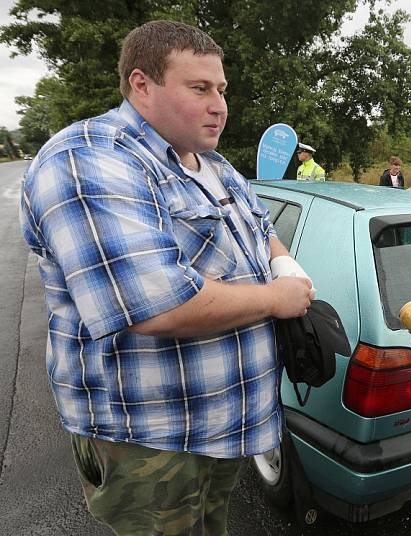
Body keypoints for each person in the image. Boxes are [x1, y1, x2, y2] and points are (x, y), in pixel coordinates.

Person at [18, 21, 314, 535]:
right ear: (141, 85)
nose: (219, 105)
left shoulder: (216, 167)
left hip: (227, 424)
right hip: (152, 437)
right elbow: (155, 306)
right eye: (199, 88)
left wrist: (286, 265)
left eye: (221, 89)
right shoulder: (90, 157)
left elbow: (263, 231)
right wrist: (275, 298)